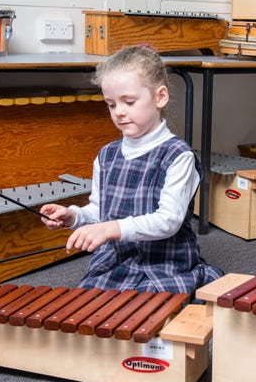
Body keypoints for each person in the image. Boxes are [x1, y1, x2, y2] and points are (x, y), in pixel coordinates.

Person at [40, 45, 223, 298]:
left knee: (149, 310)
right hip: (118, 260)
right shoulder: (106, 155)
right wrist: (72, 216)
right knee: (89, 306)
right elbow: (101, 210)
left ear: (160, 97)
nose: (119, 112)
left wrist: (110, 228)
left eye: (129, 102)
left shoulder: (178, 156)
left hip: (165, 262)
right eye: (111, 104)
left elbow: (168, 221)